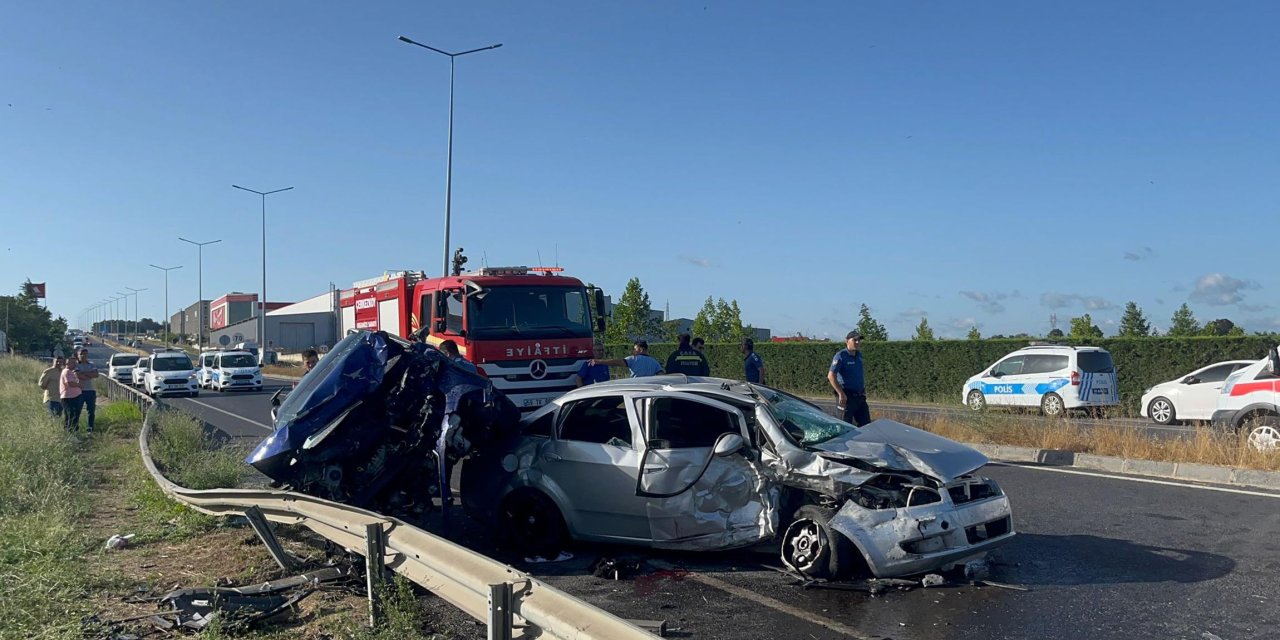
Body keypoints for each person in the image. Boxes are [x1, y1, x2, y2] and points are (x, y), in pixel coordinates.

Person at [828, 330, 871, 426]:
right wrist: (841, 393)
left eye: (859, 340)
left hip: (860, 397)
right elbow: (831, 376)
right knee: (845, 426)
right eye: (854, 340)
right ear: (847, 341)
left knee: (866, 425)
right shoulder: (841, 356)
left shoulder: (859, 355)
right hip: (846, 397)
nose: (857, 342)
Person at [592, 340, 664, 378]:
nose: (633, 351)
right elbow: (661, 375)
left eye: (635, 349)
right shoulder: (655, 362)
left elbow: (617, 362)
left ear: (640, 349)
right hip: (649, 389)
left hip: (636, 387)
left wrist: (600, 361)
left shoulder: (634, 359)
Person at [74, 348, 99, 433]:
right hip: (79, 391)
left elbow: (96, 374)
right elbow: (78, 375)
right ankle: (75, 428)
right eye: (81, 354)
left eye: (85, 354)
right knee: (77, 410)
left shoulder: (91, 364)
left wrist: (84, 373)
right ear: (78, 355)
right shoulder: (76, 365)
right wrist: (89, 374)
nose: (83, 355)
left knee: (91, 411)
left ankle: (90, 428)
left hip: (90, 390)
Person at [59, 357, 84, 433]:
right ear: (67, 363)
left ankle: (73, 431)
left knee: (74, 415)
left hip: (75, 396)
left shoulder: (72, 372)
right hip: (69, 397)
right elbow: (70, 383)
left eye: (75, 362)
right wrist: (79, 385)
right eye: (72, 363)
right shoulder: (67, 372)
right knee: (71, 415)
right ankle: (70, 432)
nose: (75, 364)